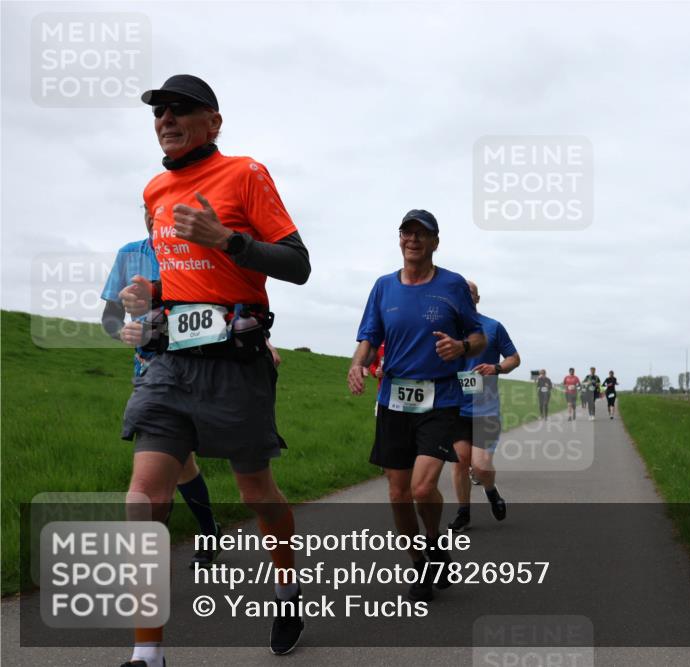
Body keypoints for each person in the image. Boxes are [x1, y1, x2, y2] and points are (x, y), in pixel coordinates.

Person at [117, 74, 311, 666]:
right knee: (143, 500)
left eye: (180, 110)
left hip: (235, 364)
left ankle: (287, 590)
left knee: (257, 492)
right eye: (159, 112)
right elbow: (186, 279)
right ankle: (147, 654)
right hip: (170, 364)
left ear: (214, 122)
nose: (166, 120)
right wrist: (150, 294)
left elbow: (298, 264)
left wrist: (227, 239)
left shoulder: (245, 173)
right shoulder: (154, 190)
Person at [347, 209, 485, 603]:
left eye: (422, 234)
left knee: (422, 488)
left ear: (435, 242)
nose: (413, 239)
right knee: (397, 494)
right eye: (407, 232)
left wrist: (461, 346)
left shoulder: (453, 285)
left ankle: (434, 538)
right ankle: (421, 563)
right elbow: (369, 336)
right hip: (394, 400)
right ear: (400, 239)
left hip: (440, 398)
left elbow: (478, 338)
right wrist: (357, 364)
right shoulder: (383, 287)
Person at [102, 205, 223, 570]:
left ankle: (203, 531)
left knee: (181, 460)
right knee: (175, 461)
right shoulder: (129, 255)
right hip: (149, 372)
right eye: (150, 211)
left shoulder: (195, 253)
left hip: (194, 369)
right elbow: (110, 316)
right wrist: (122, 331)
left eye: (163, 211)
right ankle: (197, 534)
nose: (155, 218)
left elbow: (220, 309)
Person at [448, 280, 521, 532]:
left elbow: (514, 358)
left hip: (485, 408)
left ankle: (491, 491)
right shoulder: (446, 329)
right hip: (455, 407)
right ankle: (463, 513)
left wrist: (496, 367)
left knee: (480, 466)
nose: (465, 296)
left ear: (477, 299)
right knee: (460, 461)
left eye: (470, 292)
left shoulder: (493, 327)